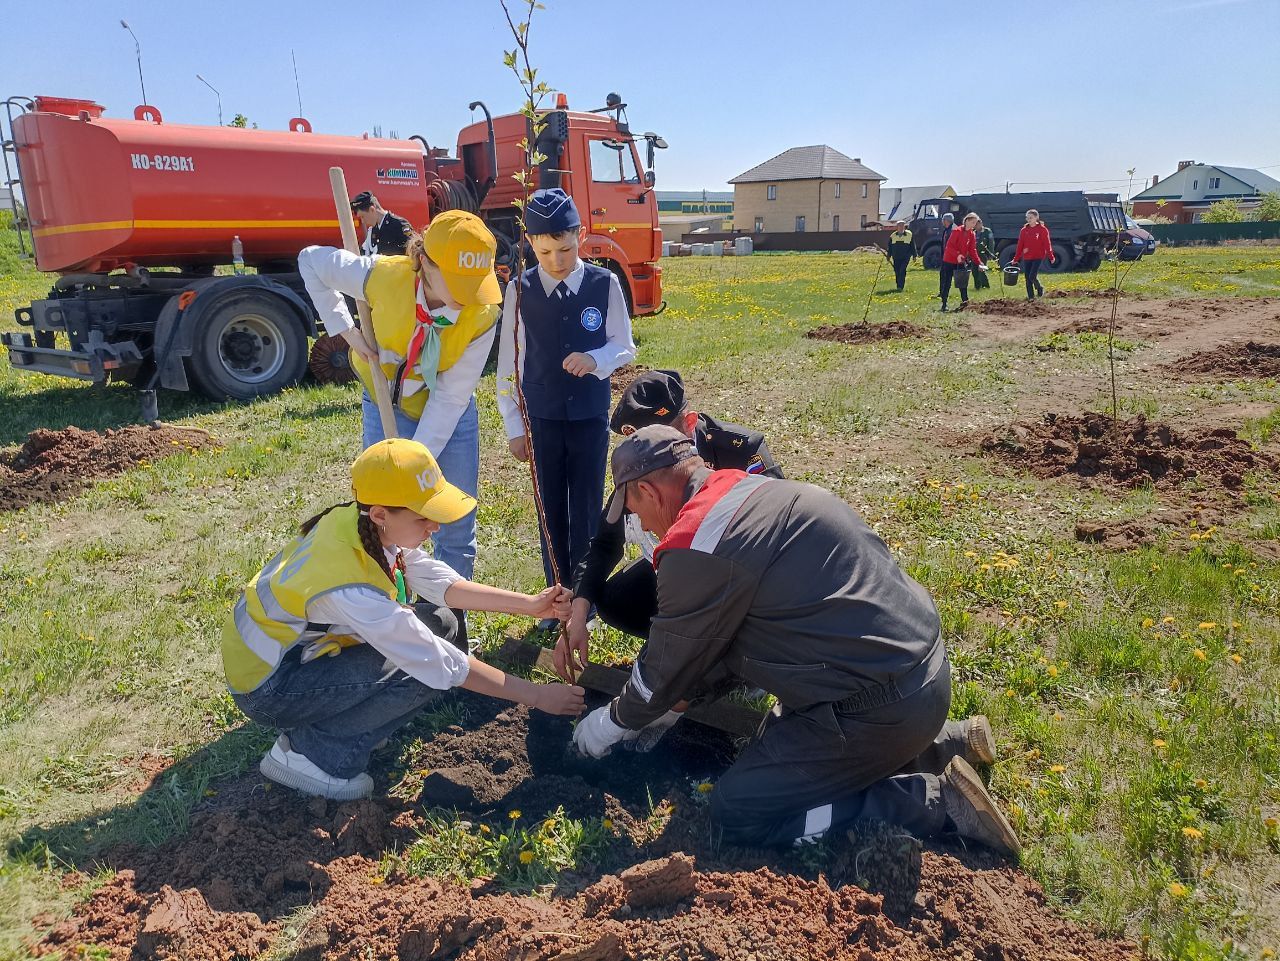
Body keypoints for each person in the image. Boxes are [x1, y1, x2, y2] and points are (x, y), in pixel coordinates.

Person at [571, 426, 1017, 856]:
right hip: (923, 673)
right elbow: (715, 653)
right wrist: (676, 701)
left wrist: (607, 724)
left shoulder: (696, 543)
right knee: (777, 735)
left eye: (633, 509)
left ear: (649, 491)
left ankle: (931, 801)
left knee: (739, 810)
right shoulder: (749, 490)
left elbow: (660, 673)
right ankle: (946, 744)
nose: (640, 523)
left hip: (879, 708)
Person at [222, 438, 585, 800]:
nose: (436, 527)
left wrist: (530, 605)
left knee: (442, 622)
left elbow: (434, 579)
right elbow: (437, 661)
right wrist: (538, 695)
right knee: (424, 671)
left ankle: (336, 726)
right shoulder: (349, 586)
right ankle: (313, 754)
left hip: (292, 660)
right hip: (268, 687)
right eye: (423, 517)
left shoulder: (357, 522)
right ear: (381, 514)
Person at [298, 211, 501, 581]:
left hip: (449, 418)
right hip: (384, 405)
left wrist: (412, 467)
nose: (467, 296)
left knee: (452, 523)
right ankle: (393, 608)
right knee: (388, 519)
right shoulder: (381, 275)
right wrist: (344, 329)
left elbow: (451, 399)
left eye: (475, 283)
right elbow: (310, 259)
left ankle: (450, 621)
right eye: (457, 281)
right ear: (424, 262)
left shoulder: (483, 315)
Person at [555, 369, 782, 680]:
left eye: (661, 440)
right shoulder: (641, 466)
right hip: (681, 569)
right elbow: (605, 544)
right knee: (616, 599)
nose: (652, 453)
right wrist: (578, 614)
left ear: (689, 424)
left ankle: (737, 659)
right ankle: (691, 652)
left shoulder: (738, 449)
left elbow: (774, 535)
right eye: (641, 443)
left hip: (740, 578)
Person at [496, 188, 636, 626]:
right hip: (541, 419)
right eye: (546, 251)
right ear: (531, 245)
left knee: (588, 508)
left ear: (581, 236)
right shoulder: (520, 290)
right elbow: (509, 363)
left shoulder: (603, 284)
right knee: (550, 509)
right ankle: (556, 599)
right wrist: (514, 425)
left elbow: (624, 346)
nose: (557, 260)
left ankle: (586, 599)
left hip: (589, 418)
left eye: (566, 249)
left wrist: (597, 360)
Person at [939, 212, 987, 312]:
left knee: (962, 282)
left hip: (960, 261)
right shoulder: (957, 231)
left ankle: (965, 303)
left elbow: (972, 250)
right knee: (946, 282)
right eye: (972, 222)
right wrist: (958, 255)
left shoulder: (972, 234)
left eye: (975, 223)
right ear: (967, 221)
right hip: (949, 260)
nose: (974, 225)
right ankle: (944, 304)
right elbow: (949, 246)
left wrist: (979, 262)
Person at [1012, 208, 1056, 300]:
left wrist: (1051, 256)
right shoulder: (1024, 230)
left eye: (1031, 217)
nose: (1029, 220)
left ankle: (1039, 288)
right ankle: (1031, 297)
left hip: (1038, 256)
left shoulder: (1042, 229)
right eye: (1027, 218)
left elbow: (1047, 244)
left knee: (1032, 275)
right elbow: (1020, 245)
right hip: (1027, 256)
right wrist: (1015, 259)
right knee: (1027, 278)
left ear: (1036, 218)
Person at [351, 191, 412, 256]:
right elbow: (364, 254)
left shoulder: (399, 225)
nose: (363, 221)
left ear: (372, 209)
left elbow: (413, 253)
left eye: (362, 216)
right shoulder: (372, 231)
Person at [887, 221, 915, 292]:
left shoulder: (909, 234)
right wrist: (888, 256)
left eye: (902, 225)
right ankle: (898, 286)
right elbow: (890, 247)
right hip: (896, 257)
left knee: (902, 270)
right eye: (899, 225)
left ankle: (901, 286)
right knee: (897, 271)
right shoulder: (893, 236)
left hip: (905, 257)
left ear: (904, 226)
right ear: (897, 227)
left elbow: (912, 246)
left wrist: (914, 255)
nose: (901, 227)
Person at [935, 212, 955, 302]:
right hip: (945, 257)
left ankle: (944, 295)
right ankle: (942, 292)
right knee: (943, 275)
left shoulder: (952, 230)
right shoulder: (946, 230)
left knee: (947, 277)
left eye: (943, 220)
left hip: (950, 258)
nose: (942, 222)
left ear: (947, 221)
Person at [972, 216, 996, 291]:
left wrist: (990, 253)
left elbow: (991, 242)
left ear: (981, 224)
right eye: (974, 224)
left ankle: (985, 286)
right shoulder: (973, 232)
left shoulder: (987, 231)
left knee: (981, 270)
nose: (976, 226)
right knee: (974, 271)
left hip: (983, 254)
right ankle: (977, 286)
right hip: (974, 254)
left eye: (977, 224)